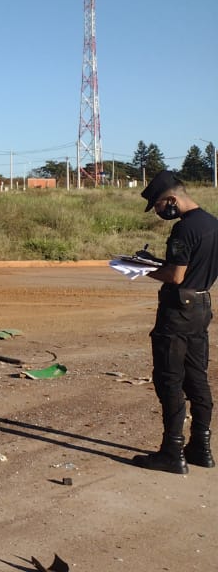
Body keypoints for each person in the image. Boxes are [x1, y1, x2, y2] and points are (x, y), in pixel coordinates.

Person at [135, 170, 218, 474]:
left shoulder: (183, 230)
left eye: (158, 206)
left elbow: (176, 275)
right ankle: (201, 447)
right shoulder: (212, 224)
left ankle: (172, 451)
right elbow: (193, 267)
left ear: (171, 199)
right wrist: (157, 262)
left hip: (177, 311)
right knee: (197, 377)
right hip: (202, 305)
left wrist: (139, 270)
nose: (159, 212)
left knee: (169, 378)